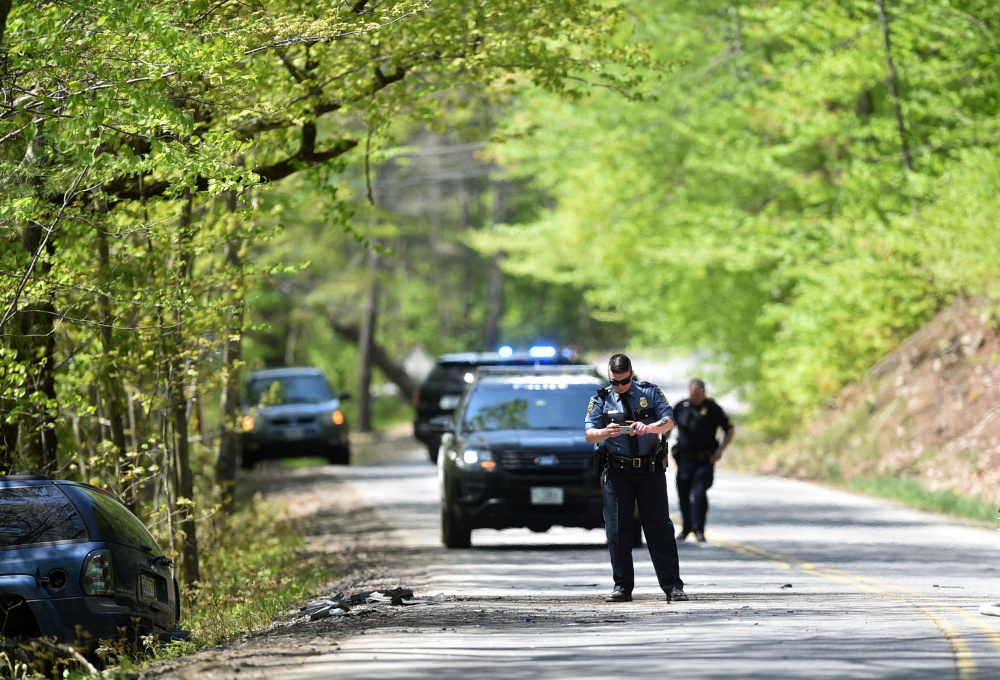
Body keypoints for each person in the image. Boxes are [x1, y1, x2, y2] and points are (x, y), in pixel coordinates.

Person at [585, 354, 687, 603]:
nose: (620, 386)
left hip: (649, 470)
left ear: (632, 373)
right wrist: (604, 433)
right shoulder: (600, 398)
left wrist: (650, 427)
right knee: (618, 530)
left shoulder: (650, 393)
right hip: (617, 471)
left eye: (625, 381)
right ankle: (622, 587)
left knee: (660, 527)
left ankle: (672, 586)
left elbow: (668, 420)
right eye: (615, 382)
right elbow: (589, 434)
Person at [672, 379, 735, 543]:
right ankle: (686, 527)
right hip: (684, 460)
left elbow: (729, 429)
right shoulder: (681, 407)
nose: (696, 397)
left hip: (704, 460)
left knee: (699, 494)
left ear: (704, 392)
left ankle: (699, 529)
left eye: (699, 394)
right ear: (689, 392)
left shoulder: (713, 408)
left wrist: (721, 449)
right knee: (683, 494)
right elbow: (667, 426)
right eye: (693, 394)